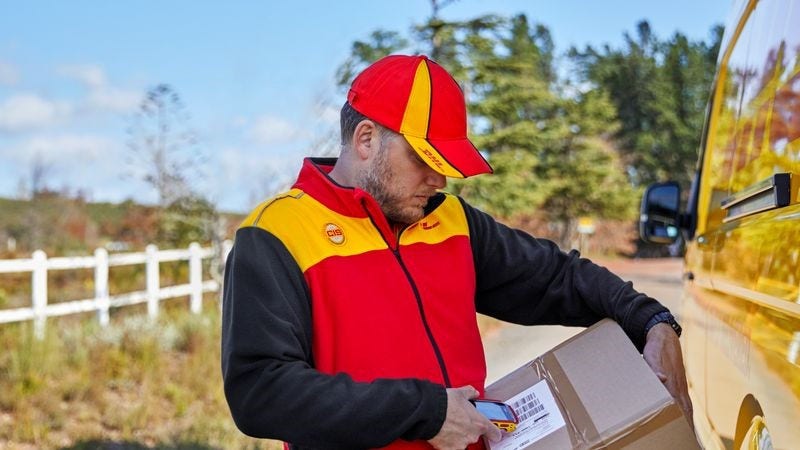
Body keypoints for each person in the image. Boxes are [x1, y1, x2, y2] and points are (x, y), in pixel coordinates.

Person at [221, 54, 691, 450]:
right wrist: (425, 411)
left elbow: (557, 278)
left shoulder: (452, 222)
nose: (439, 181)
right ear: (366, 139)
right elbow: (260, 391)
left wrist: (651, 320)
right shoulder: (277, 234)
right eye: (424, 161)